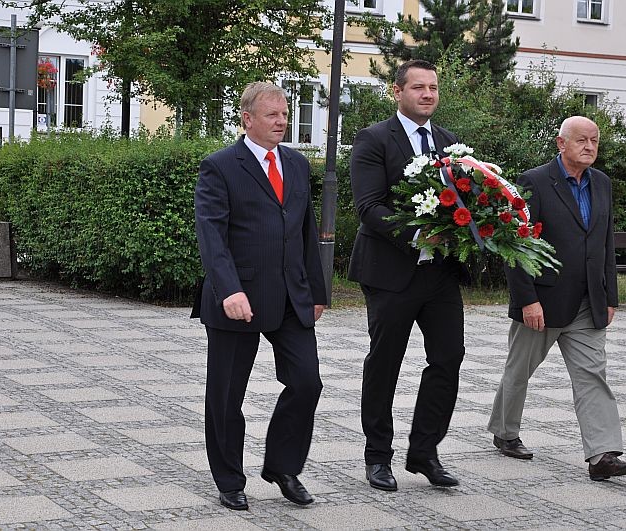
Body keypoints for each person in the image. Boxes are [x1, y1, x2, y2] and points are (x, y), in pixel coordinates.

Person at [193, 81, 327, 509]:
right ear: (247, 119)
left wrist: (317, 291)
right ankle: (230, 479)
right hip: (239, 300)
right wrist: (229, 289)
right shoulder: (220, 166)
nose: (282, 120)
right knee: (227, 396)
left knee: (307, 381)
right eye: (272, 114)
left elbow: (306, 233)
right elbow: (211, 235)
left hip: (291, 298)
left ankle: (284, 467)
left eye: (285, 113)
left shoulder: (298, 164)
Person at [487, 116, 626, 481]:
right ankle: (505, 432)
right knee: (518, 371)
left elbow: (605, 241)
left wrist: (610, 294)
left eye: (595, 141)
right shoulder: (534, 182)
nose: (589, 147)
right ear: (561, 143)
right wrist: (527, 299)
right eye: (581, 140)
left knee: (592, 375)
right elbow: (516, 243)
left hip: (588, 301)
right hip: (543, 301)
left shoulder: (601, 183)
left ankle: (603, 455)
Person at [348, 59, 465, 491]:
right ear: (397, 92)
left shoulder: (450, 143)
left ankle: (424, 453)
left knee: (449, 358)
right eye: (418, 87)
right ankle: (378, 456)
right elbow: (368, 206)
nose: (428, 94)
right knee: (385, 364)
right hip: (390, 271)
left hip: (439, 275)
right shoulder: (374, 138)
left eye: (433, 87)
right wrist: (420, 235)